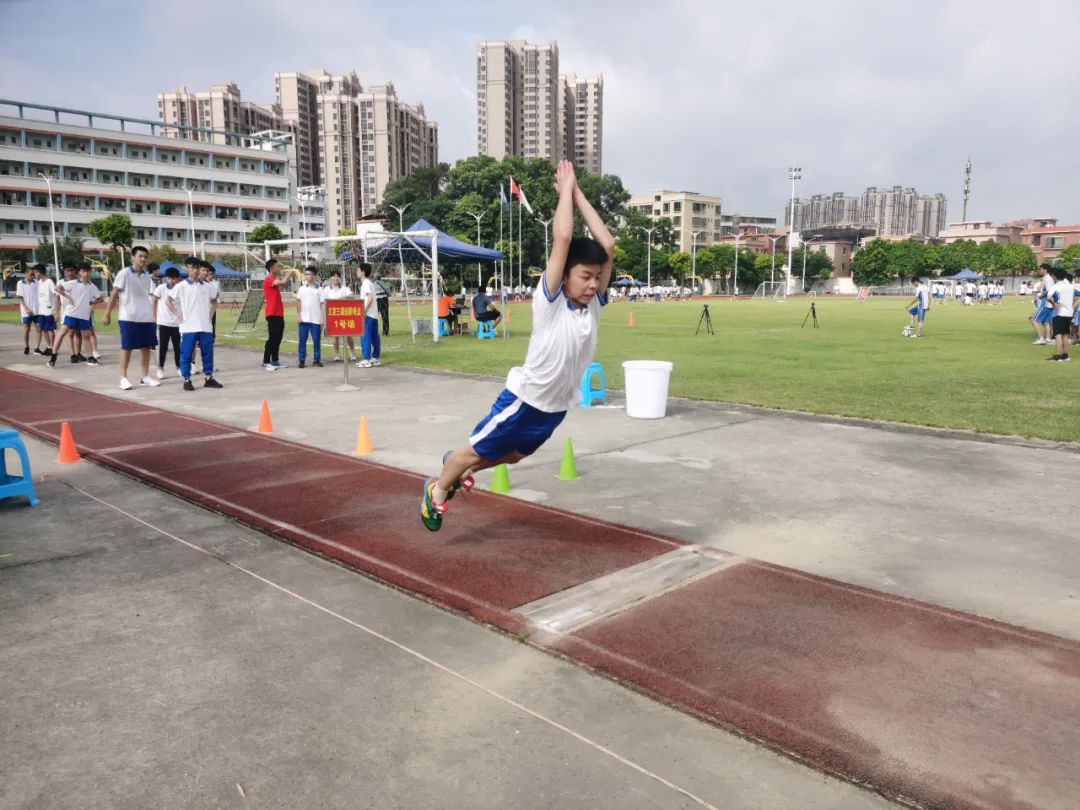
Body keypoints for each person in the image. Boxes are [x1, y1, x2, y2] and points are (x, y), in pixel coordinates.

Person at [421, 160, 614, 532]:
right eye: (585, 276)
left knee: (513, 457)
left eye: (596, 277)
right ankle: (438, 488)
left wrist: (578, 194)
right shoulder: (551, 303)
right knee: (474, 451)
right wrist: (564, 195)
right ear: (566, 276)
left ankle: (458, 468)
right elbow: (562, 238)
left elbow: (606, 243)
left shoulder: (593, 309)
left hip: (554, 407)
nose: (592, 284)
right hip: (524, 401)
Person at [103, 245, 160, 390]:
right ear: (133, 257)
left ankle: (145, 376)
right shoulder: (124, 273)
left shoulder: (147, 277)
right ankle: (123, 378)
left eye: (145, 257)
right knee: (127, 347)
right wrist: (107, 313)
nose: (143, 259)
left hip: (145, 318)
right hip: (128, 317)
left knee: (146, 348)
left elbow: (152, 296)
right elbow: (114, 294)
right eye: (140, 256)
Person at [166, 259, 224, 390]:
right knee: (186, 354)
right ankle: (187, 380)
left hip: (205, 326)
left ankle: (209, 378)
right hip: (188, 327)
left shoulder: (208, 286)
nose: (195, 270)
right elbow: (168, 301)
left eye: (197, 267)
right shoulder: (181, 286)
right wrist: (178, 314)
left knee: (207, 353)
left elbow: (214, 301)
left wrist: (210, 315)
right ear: (187, 268)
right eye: (192, 267)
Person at [48, 263, 103, 367]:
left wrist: (92, 302)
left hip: (84, 315)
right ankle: (53, 357)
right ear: (79, 273)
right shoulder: (73, 283)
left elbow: (100, 298)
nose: (86, 273)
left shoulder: (92, 286)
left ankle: (90, 358)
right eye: (84, 271)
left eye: (88, 271)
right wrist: (68, 297)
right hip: (71, 314)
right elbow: (57, 288)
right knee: (62, 334)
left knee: (86, 337)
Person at [152, 266, 182, 378]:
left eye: (174, 278)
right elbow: (154, 300)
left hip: (177, 324)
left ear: (178, 279)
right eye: (169, 278)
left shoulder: (180, 289)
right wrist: (154, 315)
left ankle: (179, 367)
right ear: (166, 278)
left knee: (178, 347)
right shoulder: (161, 288)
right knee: (161, 347)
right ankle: (160, 368)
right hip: (163, 322)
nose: (172, 280)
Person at [321, 270, 356, 362]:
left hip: (344, 315)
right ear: (330, 278)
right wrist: (324, 319)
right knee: (335, 337)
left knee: (349, 335)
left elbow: (352, 296)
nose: (335, 278)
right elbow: (324, 304)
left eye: (337, 276)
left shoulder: (344, 288)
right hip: (333, 316)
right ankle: (337, 355)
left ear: (340, 278)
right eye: (333, 276)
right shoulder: (326, 290)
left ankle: (352, 353)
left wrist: (341, 299)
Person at [262, 258, 289, 371]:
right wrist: (290, 272)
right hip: (272, 314)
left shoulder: (273, 279)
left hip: (278, 314)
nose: (279, 268)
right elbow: (283, 282)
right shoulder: (268, 279)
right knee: (272, 338)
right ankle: (266, 361)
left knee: (278, 338)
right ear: (272, 268)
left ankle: (275, 360)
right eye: (278, 266)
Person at [296, 265, 324, 368]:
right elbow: (298, 302)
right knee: (302, 340)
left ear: (314, 275)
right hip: (304, 319)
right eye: (305, 274)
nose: (306, 276)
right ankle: (301, 360)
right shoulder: (302, 288)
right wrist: (298, 315)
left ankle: (316, 359)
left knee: (316, 340)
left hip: (316, 320)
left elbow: (322, 304)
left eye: (308, 274)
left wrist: (322, 318)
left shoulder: (320, 289)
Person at [1044, 267, 1073, 362]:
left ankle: (1058, 356)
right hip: (1069, 313)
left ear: (1054, 276)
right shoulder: (1070, 286)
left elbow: (1048, 297)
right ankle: (1065, 355)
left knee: (1058, 334)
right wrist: (1073, 306)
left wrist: (1054, 304)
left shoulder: (1055, 287)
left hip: (1059, 313)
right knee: (1065, 334)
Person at [356, 262, 381, 368]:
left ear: (363, 272)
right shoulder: (369, 283)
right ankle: (375, 358)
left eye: (358, 270)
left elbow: (369, 298)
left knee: (365, 336)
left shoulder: (366, 283)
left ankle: (366, 358)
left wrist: (364, 311)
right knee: (374, 336)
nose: (356, 272)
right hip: (373, 314)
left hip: (368, 314)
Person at [16, 265, 40, 355]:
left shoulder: (37, 282)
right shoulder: (20, 283)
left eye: (33, 274)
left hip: (37, 310)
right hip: (26, 311)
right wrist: (27, 309)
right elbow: (20, 297)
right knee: (27, 329)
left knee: (39, 329)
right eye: (31, 274)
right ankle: (26, 346)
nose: (32, 276)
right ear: (25, 274)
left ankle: (37, 348)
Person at [35, 263, 57, 357]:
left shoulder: (49, 282)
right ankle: (48, 347)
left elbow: (56, 294)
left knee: (50, 329)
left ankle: (53, 348)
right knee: (43, 329)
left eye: (36, 272)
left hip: (49, 310)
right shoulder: (39, 282)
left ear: (39, 272)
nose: (35, 274)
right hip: (41, 310)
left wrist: (55, 309)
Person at [1032, 264, 1056, 345]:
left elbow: (1049, 290)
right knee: (1046, 322)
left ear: (1045, 270)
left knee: (1034, 320)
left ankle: (1041, 338)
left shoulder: (1047, 278)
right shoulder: (1048, 278)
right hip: (1049, 303)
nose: (1040, 271)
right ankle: (1048, 339)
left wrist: (1041, 295)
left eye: (1041, 269)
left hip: (1045, 302)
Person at [374, 272, 391, 336]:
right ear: (380, 277)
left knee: (374, 317)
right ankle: (385, 332)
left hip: (376, 300)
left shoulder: (373, 284)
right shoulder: (385, 284)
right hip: (384, 300)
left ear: (375, 278)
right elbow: (389, 293)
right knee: (385, 316)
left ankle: (374, 331)